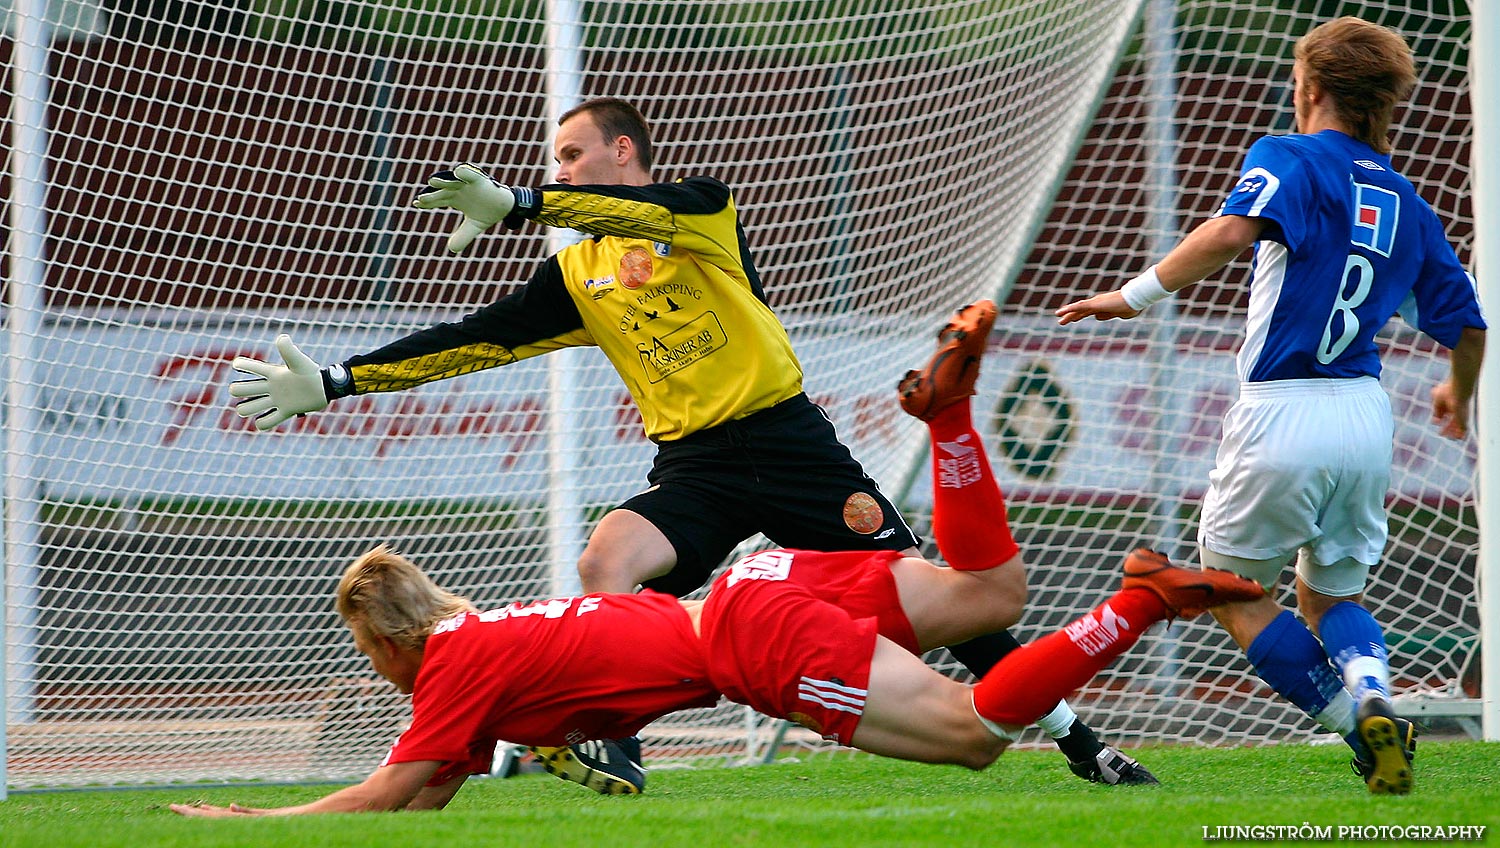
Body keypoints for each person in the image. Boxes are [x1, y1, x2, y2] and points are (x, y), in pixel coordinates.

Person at [228, 98, 1145, 785]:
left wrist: (519, 200)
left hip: (788, 444)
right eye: (557, 161)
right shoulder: (576, 274)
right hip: (696, 466)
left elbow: (638, 217)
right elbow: (475, 339)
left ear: (621, 151)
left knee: (963, 607)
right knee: (611, 558)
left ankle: (1080, 743)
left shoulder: (697, 211)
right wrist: (339, 379)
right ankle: (619, 747)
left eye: (573, 155)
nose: (565, 168)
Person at [1056, 17, 1485, 796]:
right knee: (1332, 595)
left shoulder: (1287, 157)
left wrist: (1132, 296)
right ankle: (1373, 689)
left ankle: (1358, 728)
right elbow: (1470, 323)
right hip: (1364, 415)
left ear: (1311, 88)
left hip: (1282, 410)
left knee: (1228, 585)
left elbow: (1228, 234)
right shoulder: (1406, 200)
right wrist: (1460, 387)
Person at [169, 537, 1262, 816]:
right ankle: (959, 423)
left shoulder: (452, 659)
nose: (375, 669)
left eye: (368, 651)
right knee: (986, 599)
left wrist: (254, 811)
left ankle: (1138, 597)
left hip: (749, 639)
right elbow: (437, 787)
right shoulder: (479, 640)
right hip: (747, 600)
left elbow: (395, 785)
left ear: (392, 636)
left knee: (977, 731)